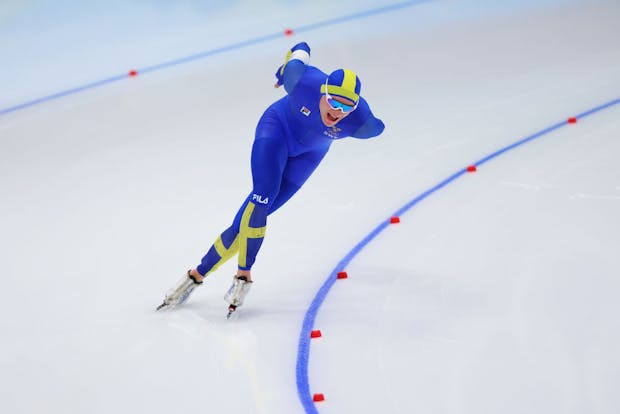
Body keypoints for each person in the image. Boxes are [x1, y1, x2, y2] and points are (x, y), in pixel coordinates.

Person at [157, 42, 385, 316]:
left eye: (346, 107)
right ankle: (243, 274)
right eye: (334, 101)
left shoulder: (361, 122)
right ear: (323, 92)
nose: (337, 111)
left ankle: (196, 275)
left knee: (249, 217)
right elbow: (301, 48)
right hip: (276, 129)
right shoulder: (301, 82)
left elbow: (379, 128)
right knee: (262, 195)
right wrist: (283, 69)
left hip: (309, 156)